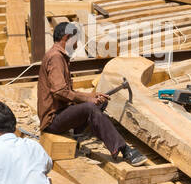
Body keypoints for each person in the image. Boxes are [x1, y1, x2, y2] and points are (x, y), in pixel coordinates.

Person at [38, 21, 147, 166]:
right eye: (75, 42)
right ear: (67, 37)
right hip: (53, 120)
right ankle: (124, 150)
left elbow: (66, 92)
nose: (76, 47)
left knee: (100, 101)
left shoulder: (59, 56)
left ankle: (78, 134)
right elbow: (59, 92)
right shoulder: (56, 57)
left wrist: (91, 96)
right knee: (90, 108)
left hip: (61, 112)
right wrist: (87, 100)